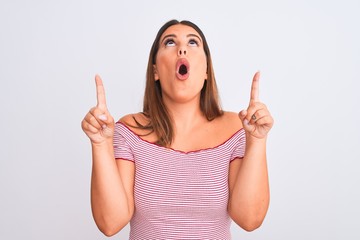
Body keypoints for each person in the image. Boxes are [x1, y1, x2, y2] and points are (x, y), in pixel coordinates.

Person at [81, 19, 274, 239]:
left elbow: (249, 219)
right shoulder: (129, 130)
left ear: (206, 71)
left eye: (193, 42)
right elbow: (110, 223)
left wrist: (257, 141)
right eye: (170, 43)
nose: (182, 48)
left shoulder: (236, 129)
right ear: (155, 70)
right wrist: (100, 144)